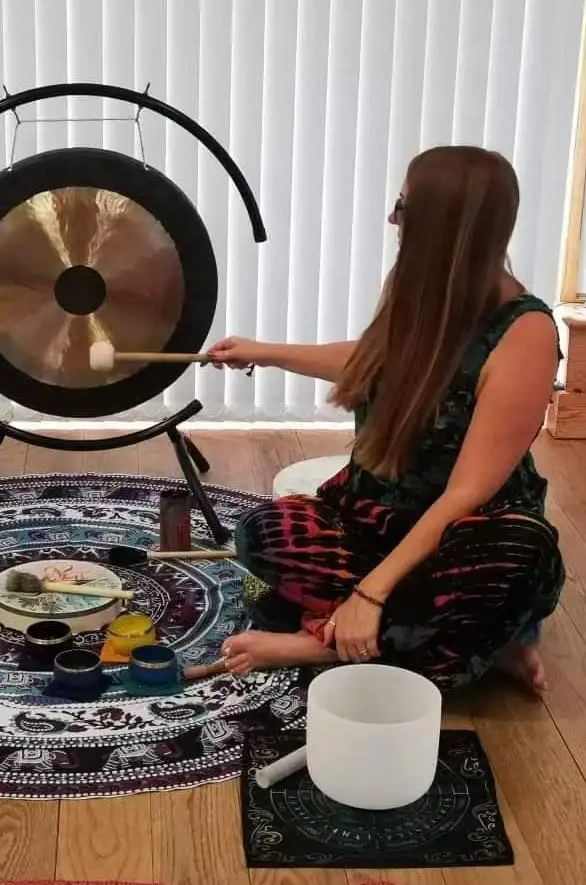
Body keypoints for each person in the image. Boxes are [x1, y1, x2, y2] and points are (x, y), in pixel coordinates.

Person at [209, 145, 564, 695]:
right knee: (264, 533)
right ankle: (476, 638)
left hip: (466, 534)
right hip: (376, 516)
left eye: (402, 208)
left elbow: (464, 495)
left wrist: (370, 594)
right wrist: (263, 350)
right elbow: (375, 360)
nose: (394, 220)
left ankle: (320, 647)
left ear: (440, 226)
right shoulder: (416, 289)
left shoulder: (527, 334)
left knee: (516, 560)